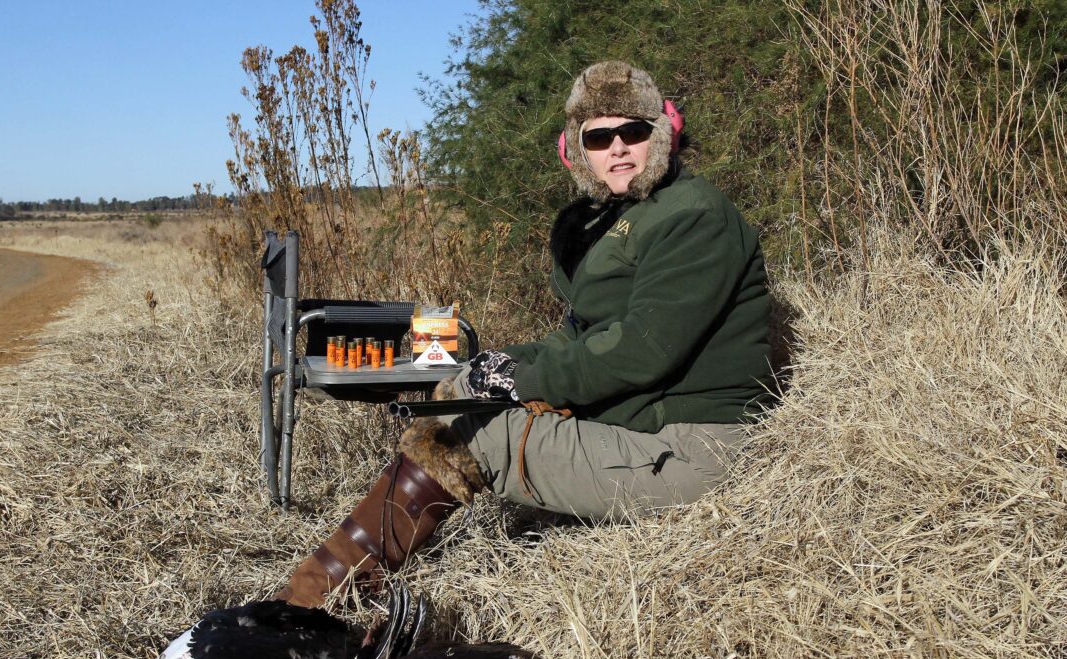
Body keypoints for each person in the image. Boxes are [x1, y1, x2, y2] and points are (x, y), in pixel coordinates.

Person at [277, 61, 772, 608]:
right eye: (599, 137)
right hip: (644, 422)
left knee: (479, 434)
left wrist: (522, 382)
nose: (619, 148)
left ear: (664, 134)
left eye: (634, 131)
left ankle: (308, 603)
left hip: (687, 447)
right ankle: (322, 588)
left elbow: (640, 351)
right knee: (461, 389)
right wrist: (495, 366)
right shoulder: (626, 216)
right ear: (576, 149)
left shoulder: (694, 217)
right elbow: (579, 338)